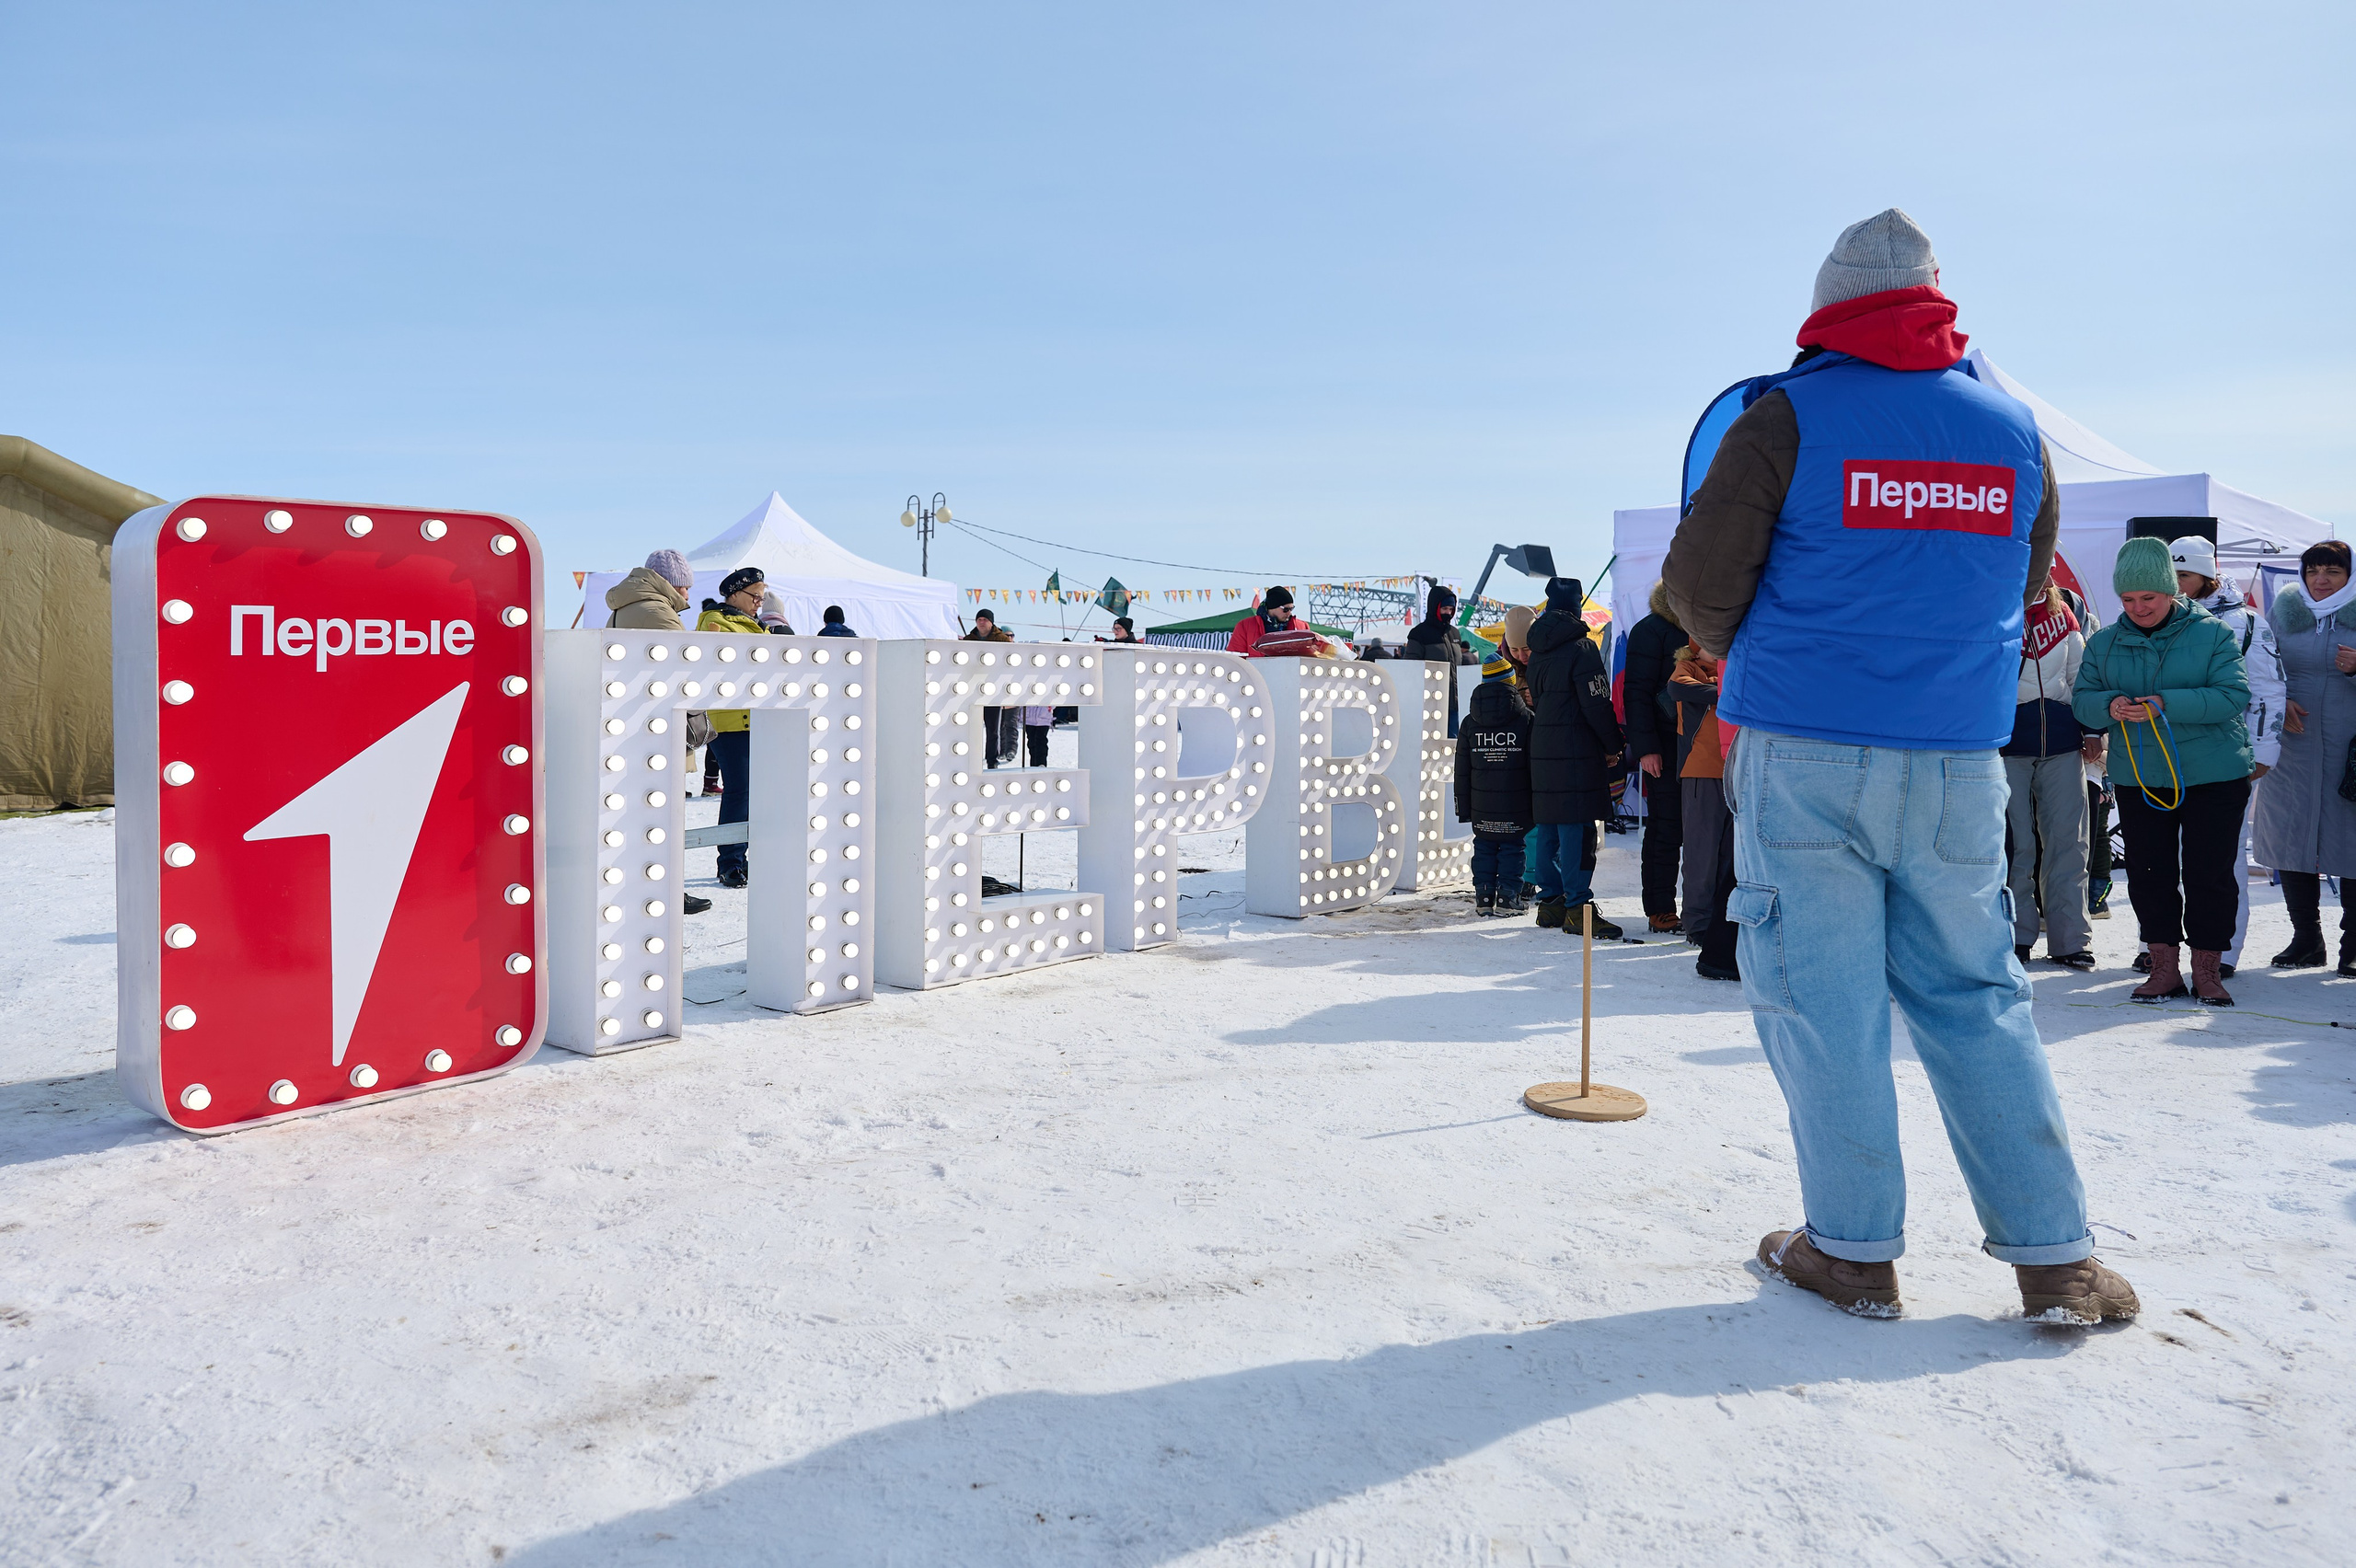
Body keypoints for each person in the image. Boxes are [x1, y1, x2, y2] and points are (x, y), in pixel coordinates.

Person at [1661, 208, 2135, 1324]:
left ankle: (1852, 1251)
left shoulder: (1787, 416)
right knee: (1977, 996)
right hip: (1957, 757)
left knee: (1821, 1001)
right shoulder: (2013, 430)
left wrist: (1762, 648)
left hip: (1803, 751)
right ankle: (2055, 1258)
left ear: (1826, 305)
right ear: (1938, 300)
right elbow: (2025, 586)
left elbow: (1697, 583)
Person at [2074, 536, 2254, 1003]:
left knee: (2209, 874)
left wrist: (2164, 704)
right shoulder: (2104, 641)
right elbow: (2083, 699)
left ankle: (2209, 969)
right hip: (2141, 774)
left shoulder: (2212, 633)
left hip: (2213, 773)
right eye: (2128, 600)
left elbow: (2233, 695)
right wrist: (2107, 705)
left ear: (2171, 592)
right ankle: (2164, 967)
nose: (2138, 608)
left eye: (2148, 598)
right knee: (2150, 873)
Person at [2158, 536, 2281, 973]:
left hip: (2227, 758)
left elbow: (2268, 690)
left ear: (2207, 575)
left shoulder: (2247, 622)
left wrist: (2264, 748)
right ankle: (2158, 946)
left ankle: (2221, 952)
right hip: (2164, 755)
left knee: (2221, 858)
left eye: (2184, 576)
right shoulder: (2155, 617)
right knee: (2160, 858)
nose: (2176, 585)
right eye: (2170, 576)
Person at [2251, 539, 2356, 973]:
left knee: (2350, 841)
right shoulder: (2284, 613)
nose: (2321, 579)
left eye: (2332, 571)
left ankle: (2354, 944)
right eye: (2313, 570)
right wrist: (2283, 700)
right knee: (2291, 840)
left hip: (2347, 750)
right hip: (2292, 746)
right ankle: (2306, 939)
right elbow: (2263, 671)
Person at [606, 551, 712, 915]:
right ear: (668, 581)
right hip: (658, 727)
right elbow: (688, 664)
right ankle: (665, 891)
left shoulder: (629, 604)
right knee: (662, 818)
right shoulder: (655, 611)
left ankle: (655, 888)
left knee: (648, 816)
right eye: (684, 584)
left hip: (642, 722)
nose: (688, 591)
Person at [2002, 577, 2097, 970]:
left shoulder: (2068, 611)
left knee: (2069, 842)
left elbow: (2082, 679)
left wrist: (2092, 730)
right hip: (2007, 745)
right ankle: (2016, 935)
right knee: (2016, 844)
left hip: (2061, 741)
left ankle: (2070, 939)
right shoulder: (1997, 603)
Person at [1524, 576, 1623, 939]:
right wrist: (1613, 744)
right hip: (1576, 749)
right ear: (1576, 605)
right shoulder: (1582, 648)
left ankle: (1550, 903)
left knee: (1549, 825)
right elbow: (1596, 705)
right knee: (1577, 831)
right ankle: (1578, 908)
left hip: (1543, 747)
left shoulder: (1537, 650)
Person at [697, 567, 772, 889]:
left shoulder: (757, 625)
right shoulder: (716, 622)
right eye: (754, 595)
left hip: (758, 719)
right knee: (740, 790)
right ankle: (730, 861)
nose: (759, 602)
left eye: (762, 596)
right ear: (734, 594)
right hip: (730, 721)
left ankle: (748, 857)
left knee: (758, 793)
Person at [1669, 639, 1738, 980]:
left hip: (1735, 772)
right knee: (1701, 852)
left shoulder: (1732, 667)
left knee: (1729, 857)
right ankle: (1696, 923)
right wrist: (1722, 689)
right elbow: (1678, 689)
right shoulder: (1688, 668)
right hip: (1701, 771)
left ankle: (1718, 926)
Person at [1622, 581, 1687, 934]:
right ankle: (1661, 909)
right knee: (1665, 830)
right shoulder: (1650, 630)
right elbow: (1637, 693)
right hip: (1665, 748)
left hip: (1707, 749)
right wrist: (1646, 748)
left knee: (1706, 835)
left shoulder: (1711, 623)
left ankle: (1701, 909)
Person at [1454, 656, 1535, 917]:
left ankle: (1484, 896)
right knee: (1513, 847)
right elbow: (1534, 766)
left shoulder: (1469, 722)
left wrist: (1463, 806)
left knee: (1485, 847)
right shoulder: (1526, 720)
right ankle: (1509, 898)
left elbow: (1462, 770)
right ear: (1511, 682)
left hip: (1481, 803)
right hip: (1516, 802)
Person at [1404, 584, 1480, 737]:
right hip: (1430, 703)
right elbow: (1411, 667)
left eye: (1451, 610)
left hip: (1455, 702)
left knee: (1455, 743)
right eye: (1444, 609)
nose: (1448, 613)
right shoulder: (1419, 633)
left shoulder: (1455, 633)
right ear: (1435, 607)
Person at [964, 610, 1018, 767]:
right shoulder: (969, 639)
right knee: (970, 728)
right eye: (979, 619)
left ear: (991, 622)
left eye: (984, 619)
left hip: (993, 688)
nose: (981, 622)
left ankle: (991, 760)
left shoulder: (1001, 639)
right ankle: (970, 759)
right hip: (972, 688)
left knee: (992, 728)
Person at [606, 549, 691, 629]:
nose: (687, 596)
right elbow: (678, 644)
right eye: (686, 588)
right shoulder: (659, 612)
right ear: (672, 585)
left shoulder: (620, 609)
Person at [1022, 702, 1054, 767]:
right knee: (1031, 742)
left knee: (1041, 740)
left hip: (1043, 717)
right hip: (1028, 717)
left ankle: (1041, 763)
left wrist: (1050, 706)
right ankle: (1033, 764)